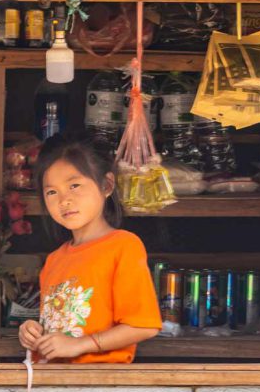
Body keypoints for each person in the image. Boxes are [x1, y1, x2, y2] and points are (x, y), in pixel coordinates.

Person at [18, 134, 161, 363]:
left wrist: (81, 345)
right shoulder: (54, 260)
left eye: (74, 186)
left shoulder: (123, 246)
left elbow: (143, 325)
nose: (64, 200)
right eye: (51, 192)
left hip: (98, 384)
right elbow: (63, 329)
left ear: (107, 185)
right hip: (53, 384)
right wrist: (34, 331)